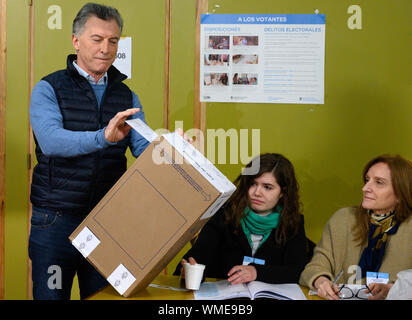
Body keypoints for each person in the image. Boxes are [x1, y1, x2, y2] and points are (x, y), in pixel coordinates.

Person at [28, 3, 148, 300]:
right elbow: (52, 141)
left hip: (108, 223)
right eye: (97, 39)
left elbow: (143, 147)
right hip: (55, 222)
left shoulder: (126, 94)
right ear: (76, 41)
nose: (106, 48)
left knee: (103, 298)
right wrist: (103, 137)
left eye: (113, 41)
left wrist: (172, 151)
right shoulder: (48, 88)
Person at [175, 153, 308, 285]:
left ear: (283, 192)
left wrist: (256, 272)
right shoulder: (224, 214)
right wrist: (188, 271)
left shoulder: (293, 222)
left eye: (267, 187)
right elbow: (197, 258)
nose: (257, 193)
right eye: (253, 184)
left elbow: (297, 271)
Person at [299, 154, 412, 300]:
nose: (365, 188)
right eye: (367, 180)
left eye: (379, 182)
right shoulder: (343, 218)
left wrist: (392, 290)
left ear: (401, 193)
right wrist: (320, 280)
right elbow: (315, 267)